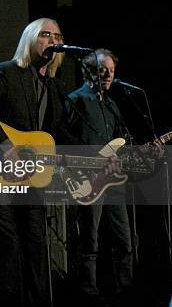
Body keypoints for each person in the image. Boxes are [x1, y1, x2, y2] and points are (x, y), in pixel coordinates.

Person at [0, 18, 83, 307]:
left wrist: (96, 153)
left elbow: (57, 134)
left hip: (30, 179)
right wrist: (5, 145)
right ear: (30, 40)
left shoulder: (55, 88)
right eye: (45, 35)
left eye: (57, 35)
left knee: (36, 248)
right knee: (7, 251)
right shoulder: (7, 72)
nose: (53, 40)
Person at [66, 48, 133, 306]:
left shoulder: (112, 104)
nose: (107, 75)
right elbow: (60, 134)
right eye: (101, 69)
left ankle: (124, 291)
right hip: (88, 178)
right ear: (87, 71)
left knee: (124, 239)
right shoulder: (74, 100)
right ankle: (88, 293)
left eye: (111, 70)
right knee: (89, 240)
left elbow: (120, 141)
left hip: (113, 180)